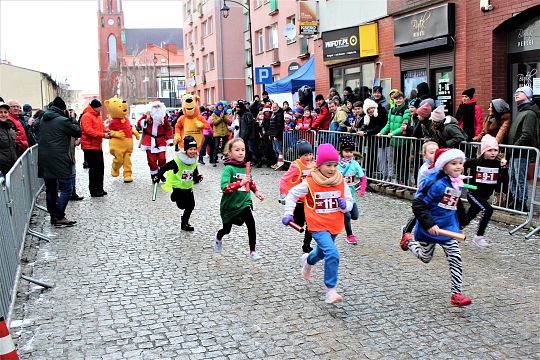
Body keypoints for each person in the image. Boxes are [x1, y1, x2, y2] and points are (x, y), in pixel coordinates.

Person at [400, 148, 473, 307]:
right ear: (444, 166)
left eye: (460, 163)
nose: (459, 167)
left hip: (448, 229)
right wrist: (430, 224)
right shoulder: (434, 183)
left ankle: (457, 294)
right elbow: (418, 204)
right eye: (453, 163)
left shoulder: (457, 181)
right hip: (430, 228)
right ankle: (408, 242)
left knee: (455, 257)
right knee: (425, 257)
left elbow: (456, 202)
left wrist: (461, 223)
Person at [282, 143, 353, 304]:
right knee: (332, 253)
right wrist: (288, 213)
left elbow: (349, 202)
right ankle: (330, 291)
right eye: (328, 165)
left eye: (335, 165)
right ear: (319, 165)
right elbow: (292, 194)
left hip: (334, 225)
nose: (332, 168)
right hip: (317, 225)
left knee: (321, 253)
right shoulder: (310, 182)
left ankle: (307, 261)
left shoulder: (340, 180)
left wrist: (345, 206)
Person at [213, 138, 265, 261]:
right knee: (227, 229)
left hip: (244, 202)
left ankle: (252, 251)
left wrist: (256, 192)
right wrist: (240, 183)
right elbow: (224, 188)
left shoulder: (246, 166)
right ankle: (218, 237)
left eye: (243, 150)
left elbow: (250, 181)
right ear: (230, 153)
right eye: (237, 150)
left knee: (251, 224)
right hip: (230, 205)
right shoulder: (228, 169)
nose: (241, 152)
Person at [38, 97, 82, 226]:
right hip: (59, 159)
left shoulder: (43, 119)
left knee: (51, 189)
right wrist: (72, 118)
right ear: (63, 109)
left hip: (44, 159)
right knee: (67, 188)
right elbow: (77, 131)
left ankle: (54, 216)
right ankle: (58, 216)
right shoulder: (62, 120)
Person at [461, 135, 508, 248]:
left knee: (469, 216)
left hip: (486, 195)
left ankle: (456, 229)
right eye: (489, 150)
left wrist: (505, 169)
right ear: (483, 151)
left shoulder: (498, 165)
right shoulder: (476, 162)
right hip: (473, 193)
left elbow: (503, 181)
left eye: (495, 150)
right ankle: (479, 236)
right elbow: (460, 163)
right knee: (488, 210)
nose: (493, 153)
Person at [154, 136, 202, 231]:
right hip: (178, 187)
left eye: (194, 149)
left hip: (188, 187)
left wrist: (197, 177)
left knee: (191, 205)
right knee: (181, 206)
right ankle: (174, 195)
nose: (193, 151)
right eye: (190, 149)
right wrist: (158, 176)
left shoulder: (193, 160)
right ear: (185, 150)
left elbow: (194, 171)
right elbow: (164, 168)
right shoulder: (177, 161)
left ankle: (184, 223)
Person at [507, 86, 540, 212]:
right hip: (515, 151)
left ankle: (522, 202)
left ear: (528, 95)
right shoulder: (522, 111)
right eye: (515, 92)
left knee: (519, 178)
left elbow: (527, 134)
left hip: (521, 152)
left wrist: (514, 147)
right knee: (513, 177)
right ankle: (516, 200)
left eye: (520, 92)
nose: (516, 94)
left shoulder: (530, 113)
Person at [279, 140, 315, 253]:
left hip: (310, 200)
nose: (309, 157)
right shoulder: (296, 165)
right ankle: (289, 218)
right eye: (305, 155)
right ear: (300, 156)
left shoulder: (315, 164)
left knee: (311, 223)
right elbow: (284, 179)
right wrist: (283, 194)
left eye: (310, 154)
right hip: (299, 200)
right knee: (299, 223)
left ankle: (306, 244)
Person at [400, 141, 439, 244]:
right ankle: (406, 230)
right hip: (423, 196)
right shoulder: (425, 170)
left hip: (434, 197)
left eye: (436, 152)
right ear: (424, 155)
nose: (434, 155)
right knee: (418, 214)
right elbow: (422, 186)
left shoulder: (439, 166)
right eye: (431, 153)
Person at [337, 136, 367, 245]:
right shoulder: (336, 164)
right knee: (347, 215)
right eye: (346, 151)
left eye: (351, 151)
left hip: (351, 194)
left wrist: (362, 189)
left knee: (355, 216)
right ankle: (350, 235)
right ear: (341, 152)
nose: (349, 154)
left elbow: (363, 178)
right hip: (340, 194)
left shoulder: (355, 164)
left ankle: (343, 219)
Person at [377, 91, 411, 185]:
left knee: (403, 162)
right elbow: (388, 124)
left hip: (403, 141)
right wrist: (381, 132)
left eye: (400, 98)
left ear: (403, 99)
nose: (398, 100)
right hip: (394, 141)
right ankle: (399, 182)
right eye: (396, 99)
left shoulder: (406, 110)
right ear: (393, 100)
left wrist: (393, 133)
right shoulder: (392, 110)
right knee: (396, 162)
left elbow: (404, 126)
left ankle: (403, 182)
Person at [80, 99, 109, 197]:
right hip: (89, 147)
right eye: (100, 107)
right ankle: (94, 190)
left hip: (97, 146)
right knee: (94, 169)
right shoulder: (86, 116)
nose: (101, 109)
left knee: (100, 168)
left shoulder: (97, 116)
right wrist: (103, 135)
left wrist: (107, 131)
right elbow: (88, 131)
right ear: (96, 107)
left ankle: (100, 188)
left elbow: (101, 128)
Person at [138, 100, 173, 178]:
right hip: (149, 141)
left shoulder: (163, 117)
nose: (157, 108)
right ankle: (154, 175)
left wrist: (169, 139)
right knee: (151, 161)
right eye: (155, 106)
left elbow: (168, 128)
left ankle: (160, 173)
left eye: (158, 106)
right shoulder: (147, 115)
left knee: (162, 159)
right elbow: (139, 123)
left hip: (160, 141)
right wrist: (146, 120)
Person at [0, 102, 18, 176]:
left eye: (5, 112)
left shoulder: (10, 128)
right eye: (0, 112)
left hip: (12, 166)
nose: (3, 114)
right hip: (1, 168)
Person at [211, 101, 230, 167]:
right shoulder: (214, 114)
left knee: (225, 146)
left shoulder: (225, 113)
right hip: (217, 132)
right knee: (216, 147)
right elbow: (214, 123)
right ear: (217, 106)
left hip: (225, 132)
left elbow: (228, 121)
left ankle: (226, 159)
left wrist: (223, 116)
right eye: (219, 106)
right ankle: (214, 160)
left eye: (221, 106)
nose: (220, 107)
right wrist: (220, 118)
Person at [268, 101, 284, 168]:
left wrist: (276, 135)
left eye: (275, 107)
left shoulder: (280, 114)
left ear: (277, 107)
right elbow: (271, 125)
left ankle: (280, 163)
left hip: (277, 135)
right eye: (273, 107)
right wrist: (270, 134)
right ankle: (278, 163)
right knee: (275, 149)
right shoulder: (273, 114)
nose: (274, 108)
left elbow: (279, 126)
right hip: (272, 135)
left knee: (279, 150)